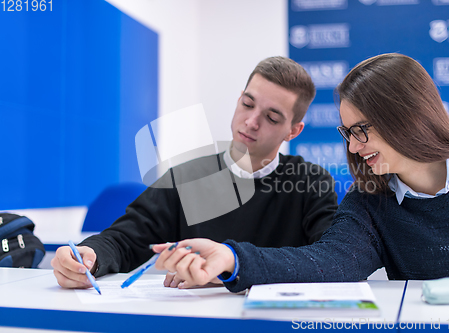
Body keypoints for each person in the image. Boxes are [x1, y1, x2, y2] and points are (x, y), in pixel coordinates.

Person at [154, 53, 449, 292]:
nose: (353, 147)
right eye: (348, 132)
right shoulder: (369, 202)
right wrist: (232, 258)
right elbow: (330, 261)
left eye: (361, 130)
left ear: (406, 114)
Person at [51, 56, 338, 290]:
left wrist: (232, 266)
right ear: (238, 99)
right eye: (247, 104)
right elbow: (126, 238)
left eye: (271, 117)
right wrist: (90, 257)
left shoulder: (310, 182)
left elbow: (331, 259)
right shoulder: (185, 177)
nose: (251, 122)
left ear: (293, 131)